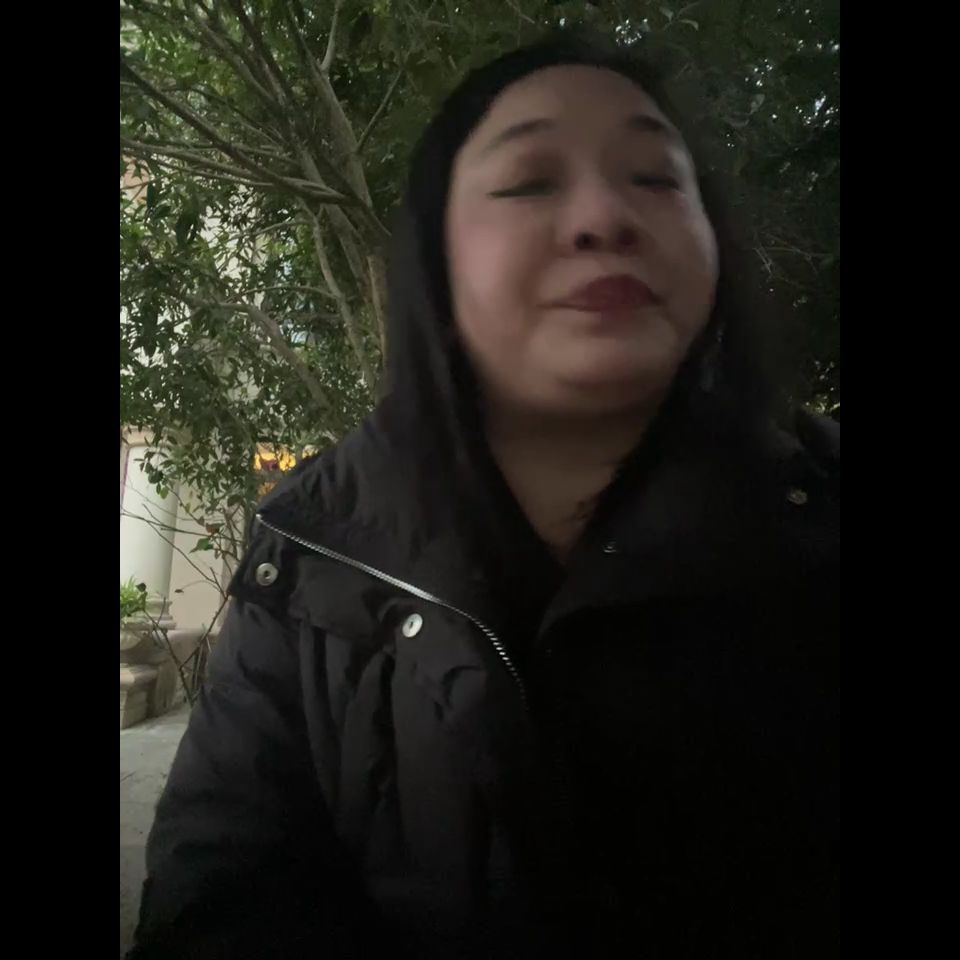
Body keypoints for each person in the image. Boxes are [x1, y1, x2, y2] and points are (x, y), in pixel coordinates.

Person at [130, 34, 839, 960]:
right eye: (530, 182)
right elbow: (222, 902)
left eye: (656, 178)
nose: (605, 216)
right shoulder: (313, 554)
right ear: (436, 262)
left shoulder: (817, 513)